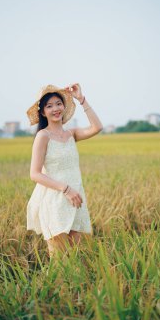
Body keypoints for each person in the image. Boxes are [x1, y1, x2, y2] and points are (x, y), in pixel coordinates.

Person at [26, 83, 103, 258]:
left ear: (64, 106)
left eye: (58, 103)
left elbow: (97, 127)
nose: (55, 109)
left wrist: (82, 99)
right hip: (55, 199)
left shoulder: (72, 134)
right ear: (43, 112)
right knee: (59, 261)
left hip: (75, 199)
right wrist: (65, 189)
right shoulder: (43, 136)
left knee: (77, 258)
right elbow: (35, 173)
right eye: (49, 106)